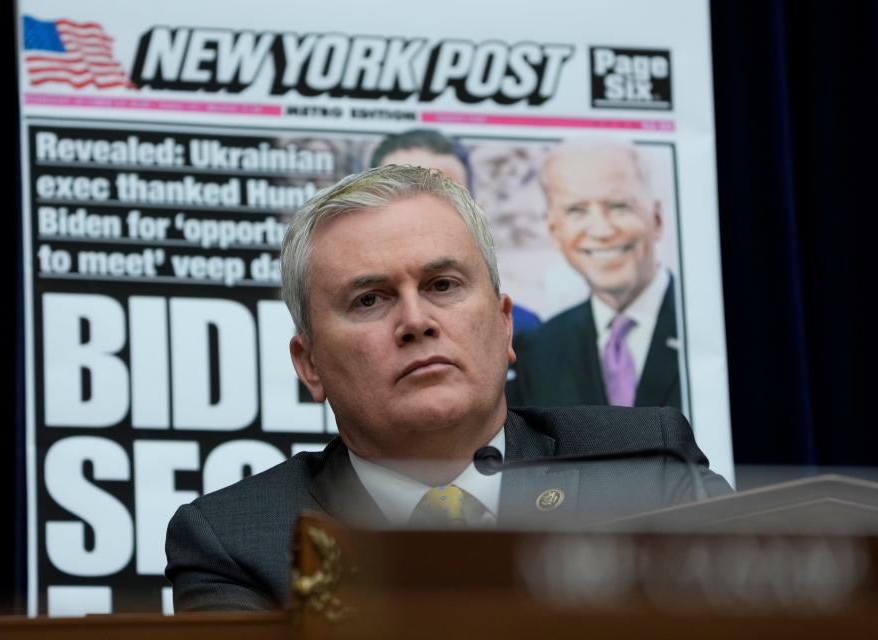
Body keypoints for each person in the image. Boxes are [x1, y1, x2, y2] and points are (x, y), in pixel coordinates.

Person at [165, 165, 731, 612]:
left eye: (442, 285)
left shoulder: (644, 468)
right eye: (370, 299)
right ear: (309, 363)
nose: (416, 321)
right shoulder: (238, 541)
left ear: (505, 325)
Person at [508, 139, 682, 410]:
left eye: (618, 206)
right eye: (576, 211)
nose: (601, 230)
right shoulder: (540, 349)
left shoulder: (712, 325)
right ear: (555, 231)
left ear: (656, 218)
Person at [371, 128, 541, 333]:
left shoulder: (522, 333)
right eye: (400, 198)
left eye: (445, 200)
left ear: (477, 213)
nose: (420, 220)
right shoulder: (340, 328)